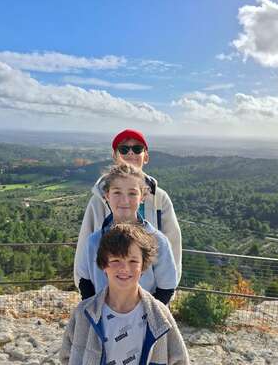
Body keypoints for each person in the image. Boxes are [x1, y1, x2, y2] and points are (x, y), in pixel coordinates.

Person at [60, 223, 189, 365]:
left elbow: (180, 360)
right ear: (103, 265)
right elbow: (66, 357)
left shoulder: (160, 315)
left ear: (143, 266)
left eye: (133, 261)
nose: (124, 268)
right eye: (116, 260)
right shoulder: (83, 314)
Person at [74, 128, 182, 287]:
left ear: (146, 156)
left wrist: (166, 291)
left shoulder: (160, 198)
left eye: (137, 149)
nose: (130, 153)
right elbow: (86, 244)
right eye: (124, 149)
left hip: (150, 297)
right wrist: (88, 296)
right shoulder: (98, 200)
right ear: (114, 156)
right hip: (104, 295)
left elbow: (172, 245)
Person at [75, 163, 178, 305]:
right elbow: (85, 281)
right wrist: (94, 314)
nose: (124, 200)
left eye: (132, 193)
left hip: (144, 322)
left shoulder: (158, 241)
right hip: (102, 321)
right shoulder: (94, 242)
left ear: (142, 197)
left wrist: (148, 318)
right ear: (107, 195)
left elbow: (166, 287)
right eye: (117, 192)